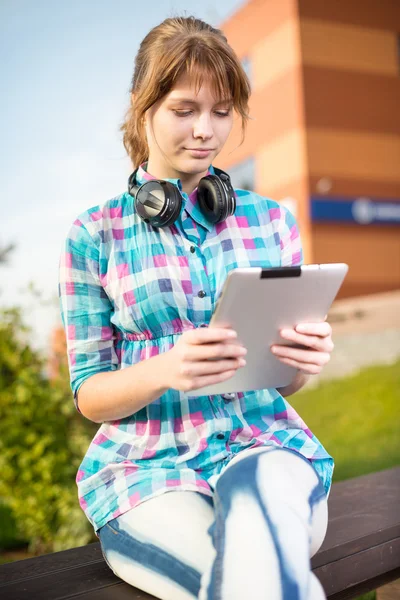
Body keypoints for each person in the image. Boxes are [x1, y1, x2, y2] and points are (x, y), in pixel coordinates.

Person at [59, 15, 335, 600]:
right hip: (145, 471)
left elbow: (282, 386)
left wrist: (303, 363)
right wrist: (166, 370)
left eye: (222, 110)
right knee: (247, 583)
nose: (206, 130)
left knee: (256, 552)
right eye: (185, 110)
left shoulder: (272, 223)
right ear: (142, 106)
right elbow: (88, 393)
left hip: (265, 446)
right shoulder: (92, 236)